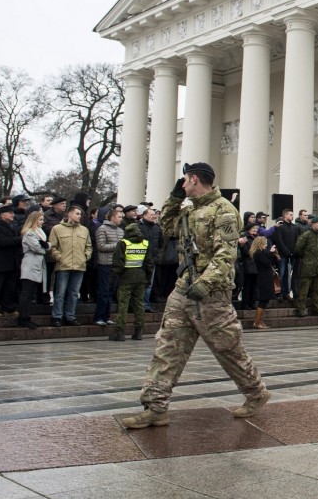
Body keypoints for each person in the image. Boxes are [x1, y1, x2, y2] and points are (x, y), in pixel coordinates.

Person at [121, 162, 269, 429]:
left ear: (194, 179)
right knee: (168, 347)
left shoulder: (224, 210)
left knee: (227, 348)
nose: (183, 184)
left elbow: (226, 254)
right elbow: (167, 228)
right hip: (183, 288)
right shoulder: (189, 208)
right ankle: (155, 407)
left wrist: (205, 282)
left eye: (184, 181)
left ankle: (256, 392)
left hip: (211, 293)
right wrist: (175, 198)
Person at [49, 204, 92, 327]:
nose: (79, 216)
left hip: (79, 265)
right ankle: (57, 316)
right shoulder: (57, 228)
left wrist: (86, 256)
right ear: (69, 214)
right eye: (77, 214)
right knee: (60, 293)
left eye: (80, 214)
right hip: (63, 265)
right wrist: (60, 258)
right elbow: (52, 247)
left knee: (74, 293)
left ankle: (70, 316)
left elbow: (89, 246)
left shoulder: (84, 230)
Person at [109, 223, 153, 341]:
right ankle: (138, 332)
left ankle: (120, 332)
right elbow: (149, 263)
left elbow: (118, 263)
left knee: (123, 304)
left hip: (126, 277)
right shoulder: (145, 243)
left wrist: (114, 278)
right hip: (141, 277)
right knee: (139, 304)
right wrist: (148, 278)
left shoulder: (123, 243)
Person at [0, 205, 23, 316]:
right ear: (2, 215)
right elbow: (2, 242)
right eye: (10, 213)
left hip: (11, 262)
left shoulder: (12, 226)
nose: (13, 215)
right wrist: (20, 239)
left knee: (10, 287)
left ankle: (9, 308)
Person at [94, 206, 125, 326]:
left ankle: (106, 316)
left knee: (111, 291)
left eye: (122, 217)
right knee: (103, 291)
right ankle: (98, 316)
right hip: (105, 264)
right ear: (112, 217)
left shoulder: (121, 231)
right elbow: (101, 246)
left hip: (116, 264)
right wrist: (118, 245)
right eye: (119, 217)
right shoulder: (102, 229)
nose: (121, 219)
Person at [17, 211, 49, 329]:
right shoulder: (30, 233)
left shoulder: (38, 233)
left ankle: (26, 317)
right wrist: (46, 247)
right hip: (30, 263)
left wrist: (45, 245)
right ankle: (23, 318)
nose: (42, 222)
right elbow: (37, 248)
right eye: (40, 220)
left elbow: (43, 246)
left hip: (37, 263)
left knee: (30, 293)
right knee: (26, 292)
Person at [292, 215, 318, 316]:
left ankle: (317, 308)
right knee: (304, 289)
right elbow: (298, 249)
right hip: (307, 266)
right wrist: (306, 258)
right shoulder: (306, 235)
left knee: (317, 290)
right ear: (313, 224)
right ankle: (301, 309)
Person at [250, 235, 277, 329]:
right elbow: (267, 263)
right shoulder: (258, 253)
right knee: (263, 300)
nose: (266, 245)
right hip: (264, 278)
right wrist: (271, 253)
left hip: (265, 277)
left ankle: (259, 321)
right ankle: (257, 322)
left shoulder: (260, 253)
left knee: (265, 300)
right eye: (265, 243)